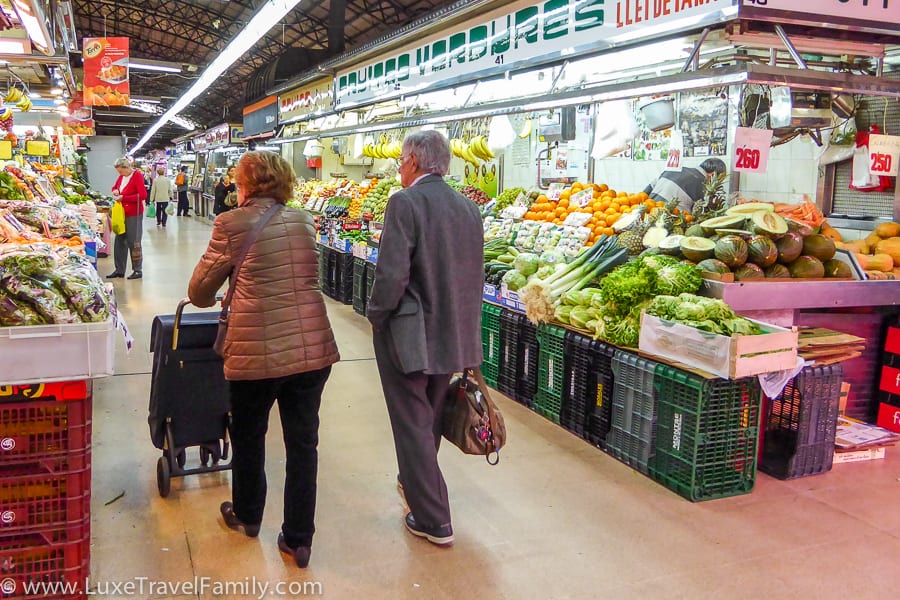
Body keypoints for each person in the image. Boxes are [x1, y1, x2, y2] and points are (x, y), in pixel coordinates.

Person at [188, 151, 340, 569]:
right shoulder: (305, 220)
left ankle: (248, 515)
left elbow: (200, 291)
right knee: (303, 443)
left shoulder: (230, 223)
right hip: (312, 347)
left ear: (247, 185)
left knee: (250, 435)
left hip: (255, 350)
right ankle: (299, 539)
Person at [366, 130, 484, 547]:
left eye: (401, 160)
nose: (399, 166)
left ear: (414, 162)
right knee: (428, 416)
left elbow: (392, 273)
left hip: (409, 334)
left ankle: (434, 518)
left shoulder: (405, 203)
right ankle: (414, 482)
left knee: (411, 423)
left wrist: (376, 315)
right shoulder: (469, 209)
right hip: (454, 332)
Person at [107, 158, 147, 280]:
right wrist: (114, 190)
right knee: (119, 240)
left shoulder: (137, 176)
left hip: (134, 213)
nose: (119, 174)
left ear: (126, 167)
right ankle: (119, 269)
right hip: (122, 213)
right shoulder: (121, 177)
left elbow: (143, 195)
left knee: (134, 241)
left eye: (120, 171)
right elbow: (115, 186)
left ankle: (137, 270)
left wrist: (124, 198)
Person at [643, 157, 727, 213]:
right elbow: (698, 214)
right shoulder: (702, 185)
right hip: (670, 221)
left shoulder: (676, 169)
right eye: (719, 179)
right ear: (712, 175)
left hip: (646, 211)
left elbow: (646, 191)